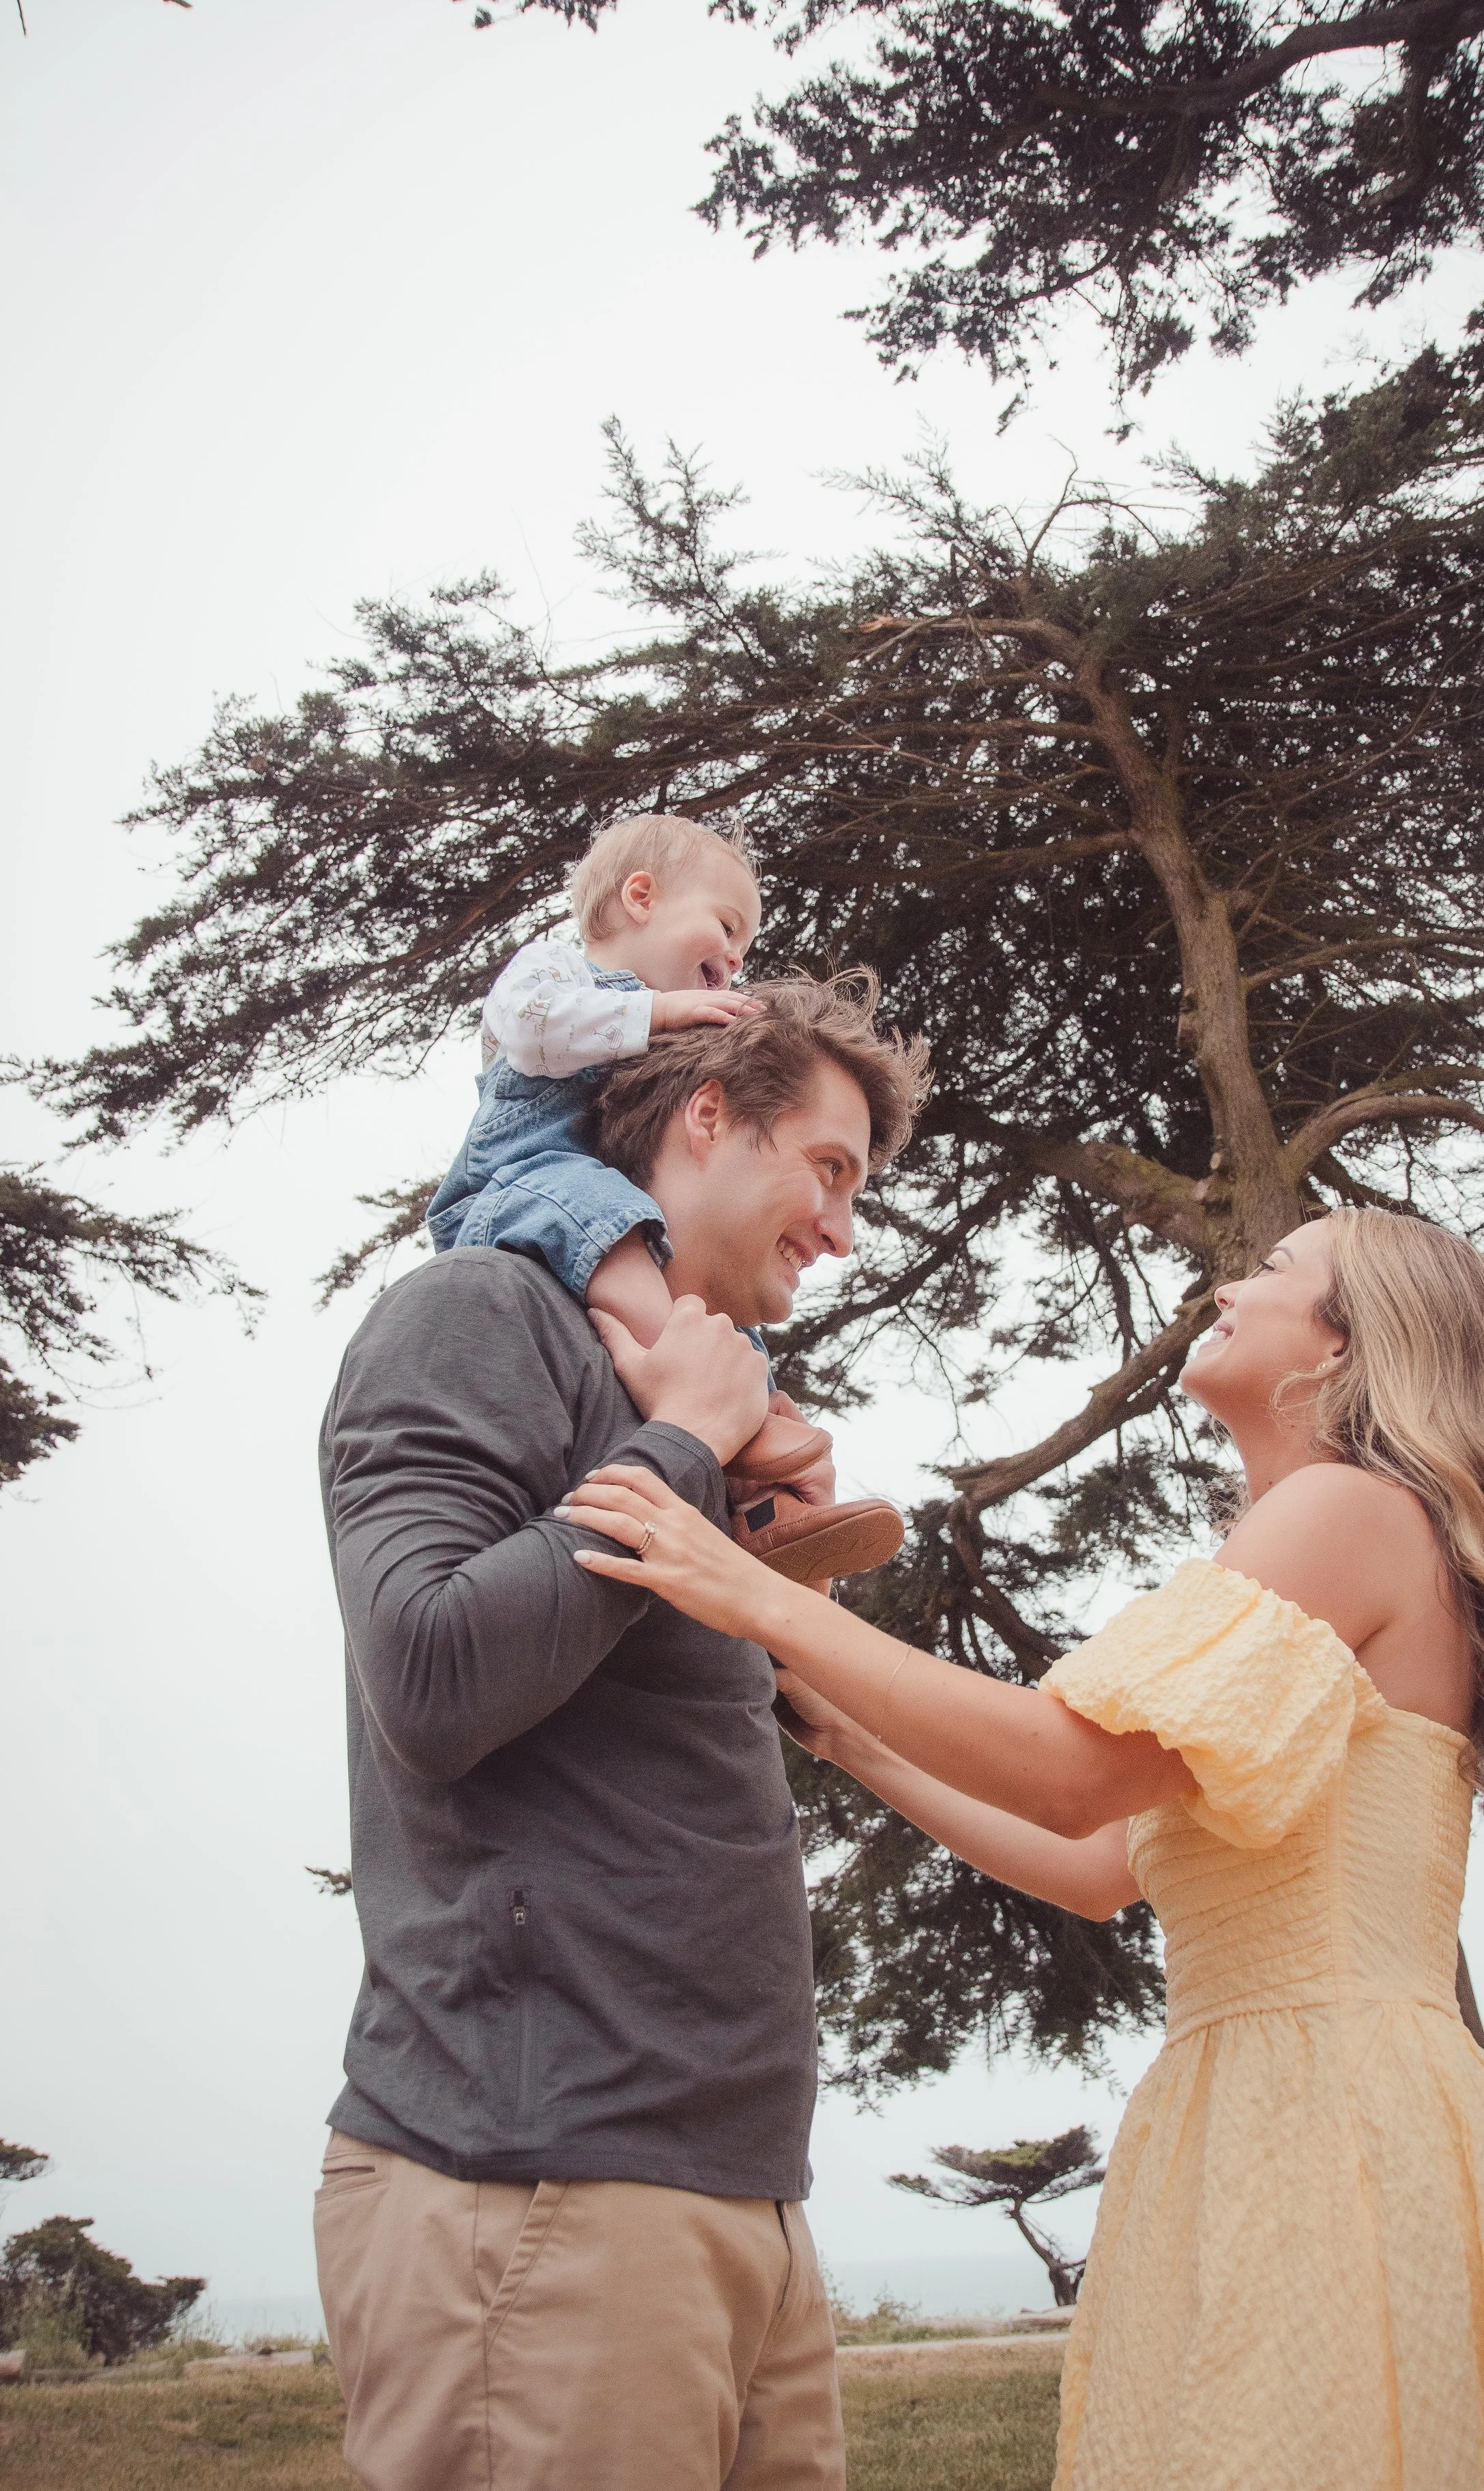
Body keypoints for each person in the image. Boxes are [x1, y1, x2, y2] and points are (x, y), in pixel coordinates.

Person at [562, 1207, 1484, 2490]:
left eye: (1274, 1267)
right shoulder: (1364, 1532)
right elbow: (1104, 1862)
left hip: (1322, 2122)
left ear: (1340, 1350)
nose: (1228, 1280)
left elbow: (1068, 1769)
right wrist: (851, 1740)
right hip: (1320, 2104)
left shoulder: (1344, 1510)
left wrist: (740, 1583)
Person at [314, 975, 929, 2491]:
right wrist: (683, 1445)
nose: (843, 1232)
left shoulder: (677, 1389)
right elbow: (431, 1676)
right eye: (830, 1172)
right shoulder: (476, 1310)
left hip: (737, 2197)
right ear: (707, 1115)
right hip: (535, 2190)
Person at [427, 809, 901, 1582]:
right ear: (640, 898)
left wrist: (799, 1625)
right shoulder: (559, 972)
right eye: (724, 924)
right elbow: (529, 1028)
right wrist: (656, 1012)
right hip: (521, 1179)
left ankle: (770, 1507)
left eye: (745, 945)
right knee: (608, 1219)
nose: (736, 955)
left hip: (593, 1198)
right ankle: (712, 1398)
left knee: (732, 1334)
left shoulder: (667, 1034)